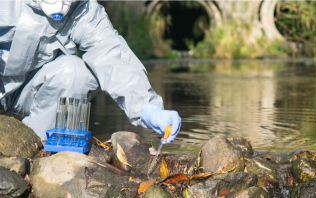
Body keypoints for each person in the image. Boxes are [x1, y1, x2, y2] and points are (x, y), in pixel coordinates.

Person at [0, 0, 181, 143]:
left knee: (77, 73)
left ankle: (36, 152)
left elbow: (109, 52)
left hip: (30, 90)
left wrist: (147, 107)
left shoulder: (84, 9)